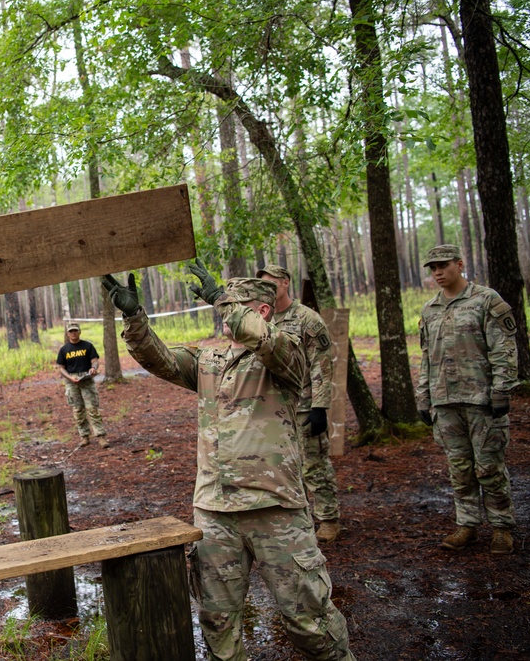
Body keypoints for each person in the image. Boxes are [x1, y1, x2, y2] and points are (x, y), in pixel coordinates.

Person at [102, 270, 355, 661]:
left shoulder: (285, 356)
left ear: (263, 310)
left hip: (275, 510)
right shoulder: (210, 361)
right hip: (214, 512)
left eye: (234, 307)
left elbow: (265, 340)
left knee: (310, 623)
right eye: (223, 306)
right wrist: (135, 319)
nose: (225, 315)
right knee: (219, 626)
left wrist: (223, 298)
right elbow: (162, 360)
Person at [416, 244, 518, 554]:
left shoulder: (486, 300)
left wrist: (501, 390)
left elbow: (503, 350)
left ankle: (501, 527)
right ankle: (467, 524)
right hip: (445, 402)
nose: (437, 272)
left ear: (459, 264)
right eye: (432, 267)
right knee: (459, 468)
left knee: (489, 467)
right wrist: (423, 396)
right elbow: (427, 356)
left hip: (481, 400)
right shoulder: (430, 309)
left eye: (443, 265)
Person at [257, 265, 342, 542]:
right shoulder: (261, 320)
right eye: (263, 287)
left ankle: (328, 518)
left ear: (285, 283)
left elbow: (322, 365)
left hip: (304, 405)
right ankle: (296, 518)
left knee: (314, 465)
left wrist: (320, 407)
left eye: (272, 285)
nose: (268, 292)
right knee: (280, 466)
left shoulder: (307, 319)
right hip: (274, 406)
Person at [56, 323, 109, 448]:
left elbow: (95, 361)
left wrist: (93, 369)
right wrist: (69, 377)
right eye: (71, 331)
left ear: (79, 332)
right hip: (72, 381)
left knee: (92, 409)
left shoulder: (87, 346)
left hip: (86, 380)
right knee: (78, 410)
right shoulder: (64, 349)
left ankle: (101, 436)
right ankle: (84, 437)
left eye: (75, 331)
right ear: (68, 333)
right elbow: (61, 368)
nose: (73, 333)